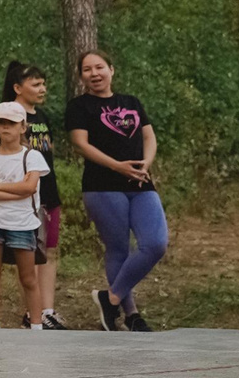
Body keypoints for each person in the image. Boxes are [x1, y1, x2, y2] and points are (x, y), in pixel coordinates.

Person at [65, 51, 167, 332]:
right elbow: (80, 144)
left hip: (140, 183)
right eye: (87, 69)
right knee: (119, 249)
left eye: (100, 67)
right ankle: (131, 315)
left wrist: (146, 162)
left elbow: (149, 136)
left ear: (112, 69)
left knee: (155, 243)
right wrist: (117, 167)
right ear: (81, 76)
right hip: (102, 185)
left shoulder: (130, 102)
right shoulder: (79, 106)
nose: (94, 73)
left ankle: (108, 299)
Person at [0, 62, 68, 325]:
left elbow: (48, 152)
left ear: (23, 127)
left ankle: (44, 312)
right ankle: (28, 315)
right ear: (17, 88)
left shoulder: (41, 118)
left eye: (43, 84)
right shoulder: (5, 117)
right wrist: (1, 169)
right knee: (10, 266)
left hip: (45, 192)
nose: (42, 89)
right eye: (35, 84)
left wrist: (8, 184)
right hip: (8, 211)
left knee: (46, 251)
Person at [0, 102, 49, 329]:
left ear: (22, 127)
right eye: (1, 123)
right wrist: (11, 191)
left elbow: (30, 188)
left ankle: (37, 325)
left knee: (28, 277)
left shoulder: (32, 157)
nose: (6, 128)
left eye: (12, 123)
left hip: (22, 223)